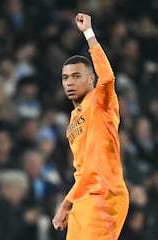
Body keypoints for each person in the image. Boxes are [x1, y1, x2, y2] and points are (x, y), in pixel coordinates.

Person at [52, 13, 129, 239]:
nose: (70, 82)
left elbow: (107, 78)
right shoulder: (74, 118)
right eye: (66, 78)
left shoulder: (100, 102)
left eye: (76, 76)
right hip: (83, 199)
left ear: (90, 80)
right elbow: (84, 172)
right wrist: (67, 204)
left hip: (106, 195)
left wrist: (89, 34)